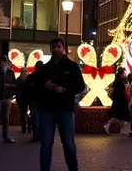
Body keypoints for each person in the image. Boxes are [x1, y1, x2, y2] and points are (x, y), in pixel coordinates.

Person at [37, 38, 85, 171]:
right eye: (53, 47)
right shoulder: (45, 68)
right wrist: (45, 86)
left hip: (66, 110)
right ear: (50, 49)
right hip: (47, 110)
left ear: (63, 48)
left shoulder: (72, 66)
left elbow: (80, 86)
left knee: (69, 144)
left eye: (58, 47)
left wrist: (65, 89)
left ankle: (73, 168)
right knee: (46, 144)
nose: (56, 49)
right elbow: (36, 86)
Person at [104, 68, 131, 135]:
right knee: (118, 115)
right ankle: (108, 125)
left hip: (119, 100)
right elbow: (119, 92)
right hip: (120, 101)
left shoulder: (118, 79)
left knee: (119, 115)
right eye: (124, 73)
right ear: (121, 73)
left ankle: (121, 129)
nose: (125, 74)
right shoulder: (119, 81)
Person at [27, 61, 43, 142]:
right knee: (42, 118)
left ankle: (36, 136)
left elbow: (27, 89)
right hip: (42, 100)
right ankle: (42, 135)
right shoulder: (45, 76)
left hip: (33, 99)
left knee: (35, 118)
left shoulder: (31, 76)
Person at [16, 67, 31, 135]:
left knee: (24, 114)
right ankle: (25, 128)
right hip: (23, 99)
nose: (25, 74)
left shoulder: (20, 79)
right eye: (24, 72)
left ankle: (26, 128)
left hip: (24, 99)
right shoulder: (20, 80)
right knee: (24, 114)